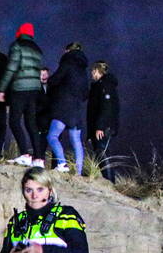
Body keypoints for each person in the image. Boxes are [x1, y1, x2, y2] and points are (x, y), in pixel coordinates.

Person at [0, 23, 45, 166]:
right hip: (34, 89)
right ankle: (38, 159)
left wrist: (1, 89)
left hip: (20, 89)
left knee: (14, 121)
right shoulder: (37, 50)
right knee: (31, 123)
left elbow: (11, 69)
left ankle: (25, 154)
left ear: (20, 32)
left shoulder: (17, 46)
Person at [46, 42, 90, 174]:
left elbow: (54, 80)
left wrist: (49, 82)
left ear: (68, 51)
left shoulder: (67, 63)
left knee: (52, 136)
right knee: (76, 140)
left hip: (63, 108)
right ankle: (78, 171)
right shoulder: (83, 70)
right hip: (77, 109)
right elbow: (85, 93)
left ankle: (62, 163)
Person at [87, 61, 120, 182]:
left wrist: (100, 127)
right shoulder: (98, 86)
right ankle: (108, 179)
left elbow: (106, 107)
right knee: (100, 152)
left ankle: (110, 182)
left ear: (97, 70)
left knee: (103, 152)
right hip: (100, 126)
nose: (91, 73)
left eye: (93, 70)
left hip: (104, 127)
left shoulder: (105, 85)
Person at [33, 67, 52, 168]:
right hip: (39, 119)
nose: (44, 76)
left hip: (50, 119)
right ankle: (39, 161)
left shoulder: (52, 87)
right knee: (40, 142)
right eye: (42, 74)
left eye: (46, 74)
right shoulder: (35, 87)